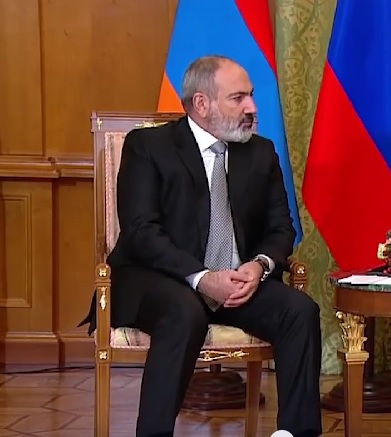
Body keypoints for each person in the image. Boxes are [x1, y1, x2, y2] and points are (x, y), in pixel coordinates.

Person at [80, 55, 322, 437]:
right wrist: (202, 277)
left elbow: (281, 228)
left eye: (251, 96)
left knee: (300, 311)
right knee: (184, 311)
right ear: (201, 103)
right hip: (158, 278)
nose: (252, 107)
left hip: (236, 283)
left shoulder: (260, 153)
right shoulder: (148, 146)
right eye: (238, 98)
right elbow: (141, 232)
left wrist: (259, 265)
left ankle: (295, 432)